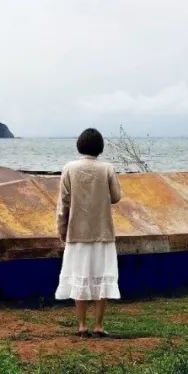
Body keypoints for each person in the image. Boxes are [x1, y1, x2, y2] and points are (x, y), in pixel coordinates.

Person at [55, 127, 123, 337]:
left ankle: (82, 325)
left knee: (80, 277)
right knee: (102, 278)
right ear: (100, 148)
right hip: (102, 232)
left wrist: (61, 229)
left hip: (77, 233)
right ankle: (99, 325)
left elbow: (63, 204)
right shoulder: (107, 169)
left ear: (79, 145)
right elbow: (116, 197)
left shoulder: (69, 168)